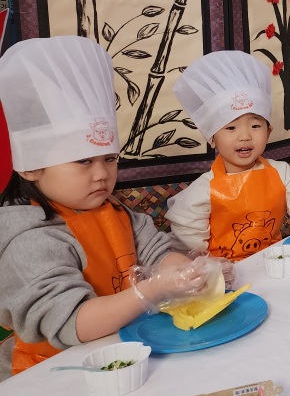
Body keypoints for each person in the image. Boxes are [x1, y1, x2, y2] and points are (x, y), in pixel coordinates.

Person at [0, 36, 212, 380]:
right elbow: (72, 322)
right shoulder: (28, 240)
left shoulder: (113, 210)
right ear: (31, 168)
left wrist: (189, 273)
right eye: (83, 161)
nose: (102, 174)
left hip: (123, 352)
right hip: (55, 373)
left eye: (110, 159)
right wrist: (153, 289)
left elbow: (157, 252)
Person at [166, 51, 290, 262]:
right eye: (231, 127)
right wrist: (207, 268)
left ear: (268, 132)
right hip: (226, 276)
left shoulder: (281, 173)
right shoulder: (200, 193)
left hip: (274, 265)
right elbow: (186, 251)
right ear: (212, 138)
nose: (245, 136)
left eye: (255, 125)